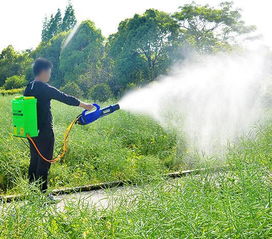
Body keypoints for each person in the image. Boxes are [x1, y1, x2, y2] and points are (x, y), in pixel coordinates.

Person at [24, 58, 93, 195]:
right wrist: (85, 105)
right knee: (44, 162)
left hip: (31, 131)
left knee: (35, 160)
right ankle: (43, 195)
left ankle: (32, 192)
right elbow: (65, 98)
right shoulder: (45, 88)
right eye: (49, 72)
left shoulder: (29, 87)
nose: (49, 75)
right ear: (43, 71)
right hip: (44, 132)